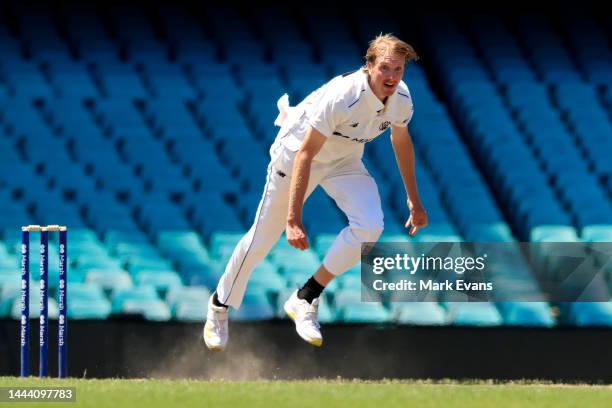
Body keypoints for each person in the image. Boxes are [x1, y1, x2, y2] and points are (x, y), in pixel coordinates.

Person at [204, 34, 428, 351]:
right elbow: (305, 155)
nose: (392, 77)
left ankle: (306, 296)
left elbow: (400, 141)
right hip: (296, 154)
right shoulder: (343, 96)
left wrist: (414, 200)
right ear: (369, 66)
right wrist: (293, 219)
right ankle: (219, 305)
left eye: (399, 69)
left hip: (344, 159)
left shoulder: (402, 98)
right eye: (385, 69)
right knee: (261, 239)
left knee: (370, 225)